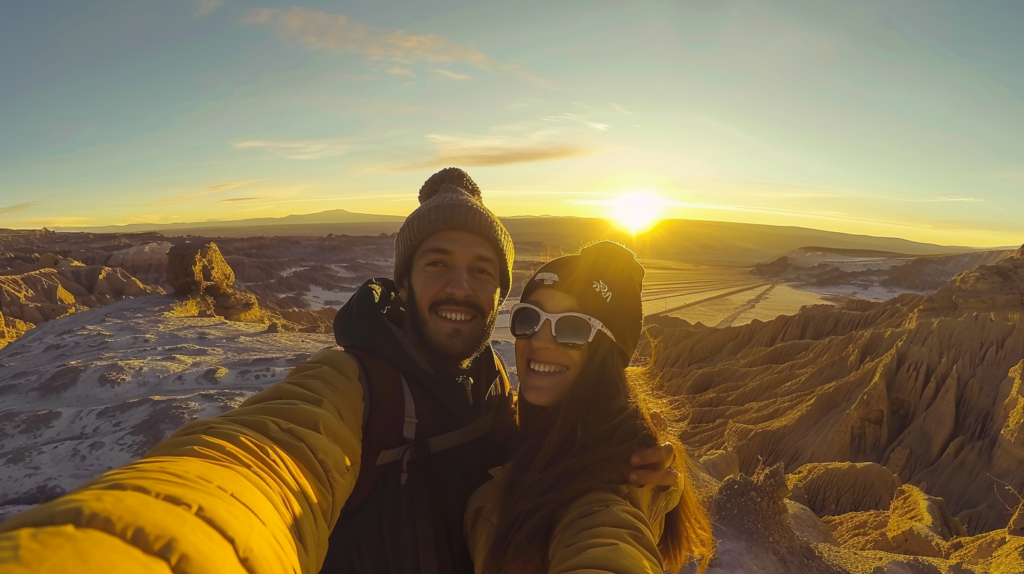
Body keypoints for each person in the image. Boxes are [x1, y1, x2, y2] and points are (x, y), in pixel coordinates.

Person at [0, 168, 676, 574]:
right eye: (435, 262)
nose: (458, 287)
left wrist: (650, 483)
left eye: (481, 270)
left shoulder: (504, 396)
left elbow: (602, 534)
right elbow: (259, 465)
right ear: (403, 283)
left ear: (498, 296)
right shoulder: (355, 385)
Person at [465, 242, 714, 574]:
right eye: (530, 318)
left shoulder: (610, 488)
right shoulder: (532, 441)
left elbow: (607, 546)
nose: (540, 339)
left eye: (572, 328)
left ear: (606, 354)